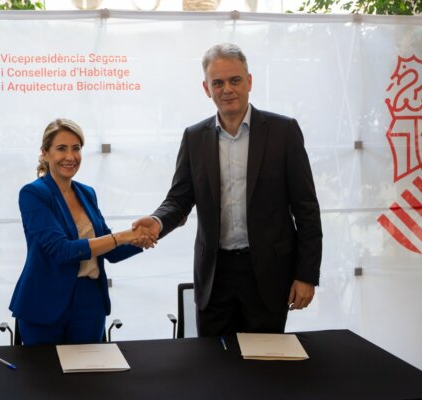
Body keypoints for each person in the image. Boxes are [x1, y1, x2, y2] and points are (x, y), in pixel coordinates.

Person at [133, 43, 323, 337]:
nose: (227, 89)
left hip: (269, 276)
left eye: (235, 80)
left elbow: (306, 209)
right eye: (218, 83)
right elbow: (180, 198)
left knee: (264, 361)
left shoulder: (283, 132)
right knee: (213, 362)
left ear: (249, 81)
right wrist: (157, 221)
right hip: (214, 276)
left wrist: (306, 275)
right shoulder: (194, 137)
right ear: (206, 89)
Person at [9, 118, 153, 345]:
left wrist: (155, 230)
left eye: (76, 148)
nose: (70, 156)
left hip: (89, 302)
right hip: (44, 301)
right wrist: (123, 236)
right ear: (45, 153)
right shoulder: (33, 194)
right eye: (61, 148)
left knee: (89, 368)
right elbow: (62, 250)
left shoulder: (87, 193)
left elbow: (111, 250)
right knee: (44, 368)